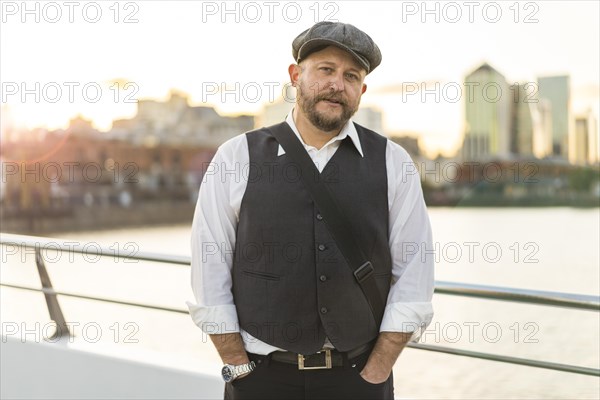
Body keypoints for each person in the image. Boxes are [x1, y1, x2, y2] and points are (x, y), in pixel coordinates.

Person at [187, 21, 434, 400]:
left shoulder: (393, 162)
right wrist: (238, 367)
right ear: (295, 76)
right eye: (326, 70)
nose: (338, 84)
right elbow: (210, 269)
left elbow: (414, 275)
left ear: (361, 91)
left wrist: (379, 367)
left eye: (351, 76)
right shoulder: (236, 157)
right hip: (261, 378)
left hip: (358, 378)